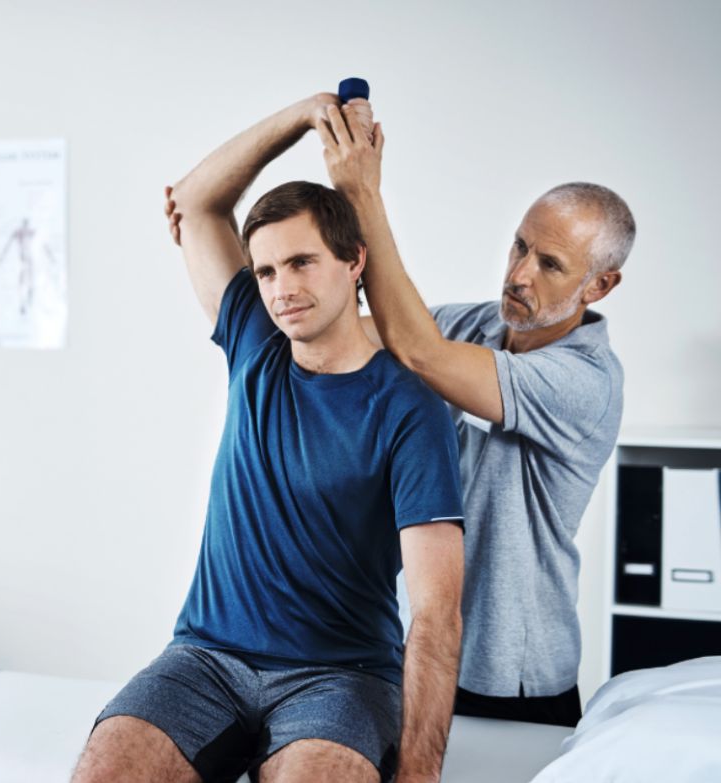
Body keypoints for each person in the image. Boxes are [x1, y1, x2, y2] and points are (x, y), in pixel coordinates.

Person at [73, 93, 466, 783]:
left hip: (339, 676)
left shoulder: (411, 410)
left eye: (302, 262)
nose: (281, 288)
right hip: (206, 657)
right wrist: (304, 115)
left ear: (354, 263)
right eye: (265, 270)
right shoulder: (256, 345)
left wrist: (421, 771)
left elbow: (435, 612)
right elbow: (194, 203)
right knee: (105, 769)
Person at [307, 98, 634, 727]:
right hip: (421, 651)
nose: (517, 274)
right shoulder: (476, 325)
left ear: (599, 286)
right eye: (519, 246)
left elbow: (419, 351)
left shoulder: (585, 382)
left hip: (512, 677)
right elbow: (362, 332)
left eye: (549, 264)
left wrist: (364, 193)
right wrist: (275, 289)